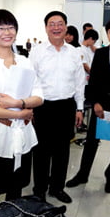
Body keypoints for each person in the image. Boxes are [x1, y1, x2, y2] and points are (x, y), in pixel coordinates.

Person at [0, 9, 43, 211]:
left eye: (10, 27)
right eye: (0, 28)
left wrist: (19, 102)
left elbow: (39, 96)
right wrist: (19, 113)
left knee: (16, 190)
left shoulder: (25, 62)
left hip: (23, 137)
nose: (7, 32)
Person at [66, 19, 110, 193]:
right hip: (99, 108)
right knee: (91, 143)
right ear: (107, 34)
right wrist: (96, 103)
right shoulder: (99, 54)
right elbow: (94, 81)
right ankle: (82, 174)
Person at [29, 11, 86, 204]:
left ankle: (57, 188)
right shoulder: (37, 52)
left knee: (63, 150)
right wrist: (30, 108)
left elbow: (79, 83)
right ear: (46, 28)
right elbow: (29, 81)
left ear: (66, 27)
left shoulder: (74, 52)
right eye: (52, 24)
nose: (56, 27)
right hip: (42, 107)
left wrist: (79, 108)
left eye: (60, 23)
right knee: (41, 151)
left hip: (66, 107)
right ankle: (39, 190)